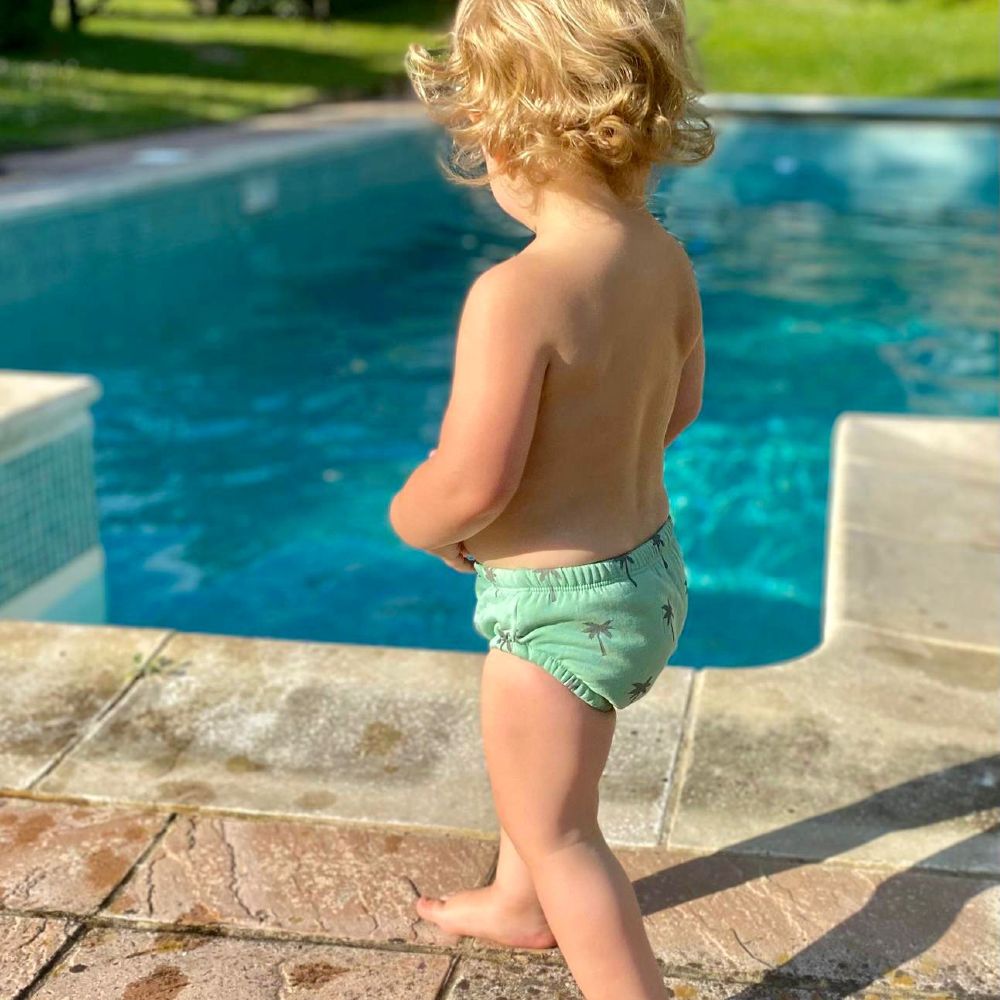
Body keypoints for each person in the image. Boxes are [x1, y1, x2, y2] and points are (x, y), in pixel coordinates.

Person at [388, 2, 713, 996]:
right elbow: (678, 407)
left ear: (501, 131)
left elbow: (472, 478)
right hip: (644, 575)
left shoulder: (515, 294)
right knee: (545, 790)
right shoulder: (661, 257)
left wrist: (416, 518)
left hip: (554, 610)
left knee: (562, 832)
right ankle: (519, 904)